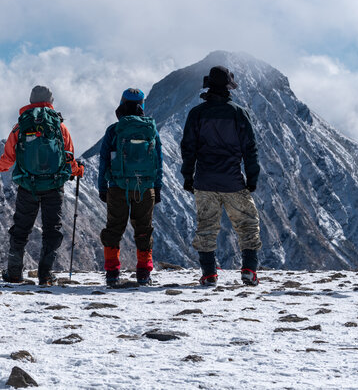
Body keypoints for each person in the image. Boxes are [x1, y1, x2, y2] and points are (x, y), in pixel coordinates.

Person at [0, 85, 84, 286]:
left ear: (31, 100)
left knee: (21, 229)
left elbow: (8, 158)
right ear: (50, 101)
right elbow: (69, 157)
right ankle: (45, 274)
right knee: (52, 229)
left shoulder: (21, 126)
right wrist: (77, 171)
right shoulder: (59, 126)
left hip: (28, 185)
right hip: (54, 185)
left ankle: (14, 273)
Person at [180, 65, 261, 286]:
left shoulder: (196, 114)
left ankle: (208, 274)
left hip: (204, 180)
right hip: (233, 180)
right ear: (228, 88)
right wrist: (252, 178)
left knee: (206, 227)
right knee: (247, 225)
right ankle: (249, 271)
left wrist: (188, 176)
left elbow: (188, 148)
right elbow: (250, 149)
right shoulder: (238, 113)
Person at [98, 88, 163, 287]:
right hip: (145, 188)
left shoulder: (114, 130)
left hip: (118, 187)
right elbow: (159, 161)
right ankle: (144, 274)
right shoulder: (151, 129)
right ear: (142, 105)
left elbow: (104, 161)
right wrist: (157, 187)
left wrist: (103, 187)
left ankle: (112, 274)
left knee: (114, 230)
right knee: (144, 230)